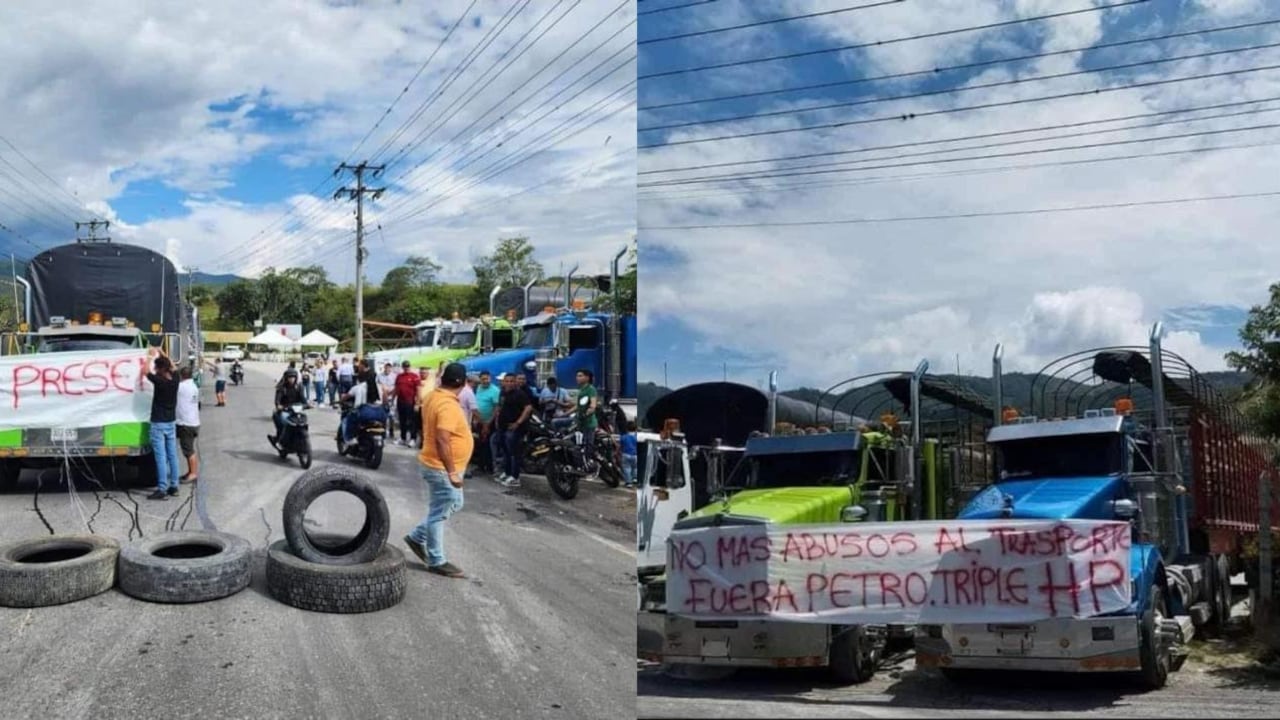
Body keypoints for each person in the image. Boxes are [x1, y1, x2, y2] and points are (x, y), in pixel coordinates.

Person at [404, 362, 472, 578]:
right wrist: (452, 471)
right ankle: (436, 559)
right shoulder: (448, 405)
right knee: (440, 512)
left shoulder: (434, 396)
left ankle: (417, 537)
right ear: (462, 383)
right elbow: (443, 438)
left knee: (453, 503)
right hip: (441, 467)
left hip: (435, 463)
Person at [146, 350, 181, 500]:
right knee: (172, 455)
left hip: (158, 423)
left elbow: (144, 371)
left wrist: (149, 356)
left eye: (156, 368)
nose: (154, 370)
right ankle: (174, 486)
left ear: (160, 369)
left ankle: (162, 488)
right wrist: (160, 353)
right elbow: (172, 365)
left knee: (161, 457)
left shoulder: (159, 381)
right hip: (171, 422)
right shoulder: (175, 380)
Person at [494, 372, 533, 488]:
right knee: (505, 451)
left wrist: (518, 422)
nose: (509, 383)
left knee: (514, 453)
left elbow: (528, 408)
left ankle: (515, 477)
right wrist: (497, 419)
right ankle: (507, 472)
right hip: (503, 426)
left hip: (515, 428)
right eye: (507, 381)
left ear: (515, 382)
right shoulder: (502, 393)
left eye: (512, 381)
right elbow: (500, 407)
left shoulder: (520, 394)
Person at [339, 364, 384, 445]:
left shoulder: (358, 387)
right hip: (380, 413)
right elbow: (385, 398)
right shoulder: (380, 387)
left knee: (347, 419)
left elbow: (345, 397)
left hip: (365, 413)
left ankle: (350, 438)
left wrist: (341, 400)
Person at [176, 365, 201, 484]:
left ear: (182, 376)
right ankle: (191, 471)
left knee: (189, 450)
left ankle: (193, 473)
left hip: (186, 424)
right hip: (193, 422)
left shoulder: (182, 387)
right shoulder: (193, 386)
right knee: (189, 449)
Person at [270, 369, 308, 446]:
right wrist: (279, 406)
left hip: (296, 410)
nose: (291, 379)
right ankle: (280, 439)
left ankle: (301, 438)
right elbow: (277, 400)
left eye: (293, 377)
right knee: (284, 420)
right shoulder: (281, 387)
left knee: (303, 420)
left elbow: (303, 399)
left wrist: (307, 404)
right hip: (285, 410)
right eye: (289, 377)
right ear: (286, 378)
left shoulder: (299, 387)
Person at [472, 370, 500, 473]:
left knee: (488, 444)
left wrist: (488, 423)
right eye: (483, 379)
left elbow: (496, 408)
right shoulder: (479, 388)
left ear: (490, 378)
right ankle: (481, 465)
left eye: (487, 379)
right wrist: (476, 419)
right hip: (480, 421)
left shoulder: (495, 390)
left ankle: (489, 467)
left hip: (489, 422)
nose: (485, 381)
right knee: (481, 444)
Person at [394, 361, 421, 446]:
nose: (406, 368)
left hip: (410, 401)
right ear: (403, 367)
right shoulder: (399, 376)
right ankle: (403, 438)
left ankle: (413, 438)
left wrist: (417, 403)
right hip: (400, 401)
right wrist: (392, 399)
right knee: (402, 420)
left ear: (410, 367)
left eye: (408, 367)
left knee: (411, 421)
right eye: (405, 367)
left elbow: (418, 390)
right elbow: (396, 388)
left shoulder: (414, 376)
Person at [575, 368, 599, 460]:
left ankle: (589, 461)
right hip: (580, 421)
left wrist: (587, 413)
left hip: (588, 422)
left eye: (580, 376)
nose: (577, 378)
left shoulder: (591, 389)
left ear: (587, 378)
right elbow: (578, 405)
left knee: (588, 443)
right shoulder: (581, 390)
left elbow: (593, 405)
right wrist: (565, 414)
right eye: (577, 376)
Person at [458, 373, 478, 478]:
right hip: (465, 423)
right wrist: (482, 422)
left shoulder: (459, 390)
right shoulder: (469, 392)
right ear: (473, 383)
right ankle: (463, 469)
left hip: (457, 422)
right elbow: (474, 409)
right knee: (465, 448)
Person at [378, 362, 398, 439]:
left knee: (391, 416)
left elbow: (396, 386)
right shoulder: (380, 376)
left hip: (391, 397)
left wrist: (391, 393)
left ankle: (391, 430)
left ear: (391, 369)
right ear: (384, 368)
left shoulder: (394, 376)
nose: (387, 370)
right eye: (386, 368)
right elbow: (379, 385)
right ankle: (383, 430)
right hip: (383, 397)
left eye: (389, 368)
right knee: (383, 415)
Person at [620, 420, 638, 488]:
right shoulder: (636, 437)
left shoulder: (624, 437)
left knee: (627, 468)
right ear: (635, 429)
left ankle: (628, 482)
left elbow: (621, 445)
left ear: (627, 428)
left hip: (625, 454)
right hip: (635, 455)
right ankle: (635, 478)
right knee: (635, 467)